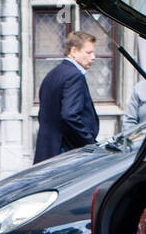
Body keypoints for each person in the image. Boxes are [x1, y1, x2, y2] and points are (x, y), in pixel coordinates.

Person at [33, 30, 100, 164]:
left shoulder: (53, 74)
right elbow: (70, 115)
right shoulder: (74, 76)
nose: (93, 57)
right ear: (74, 51)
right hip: (66, 151)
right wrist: (89, 142)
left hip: (49, 149)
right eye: (89, 52)